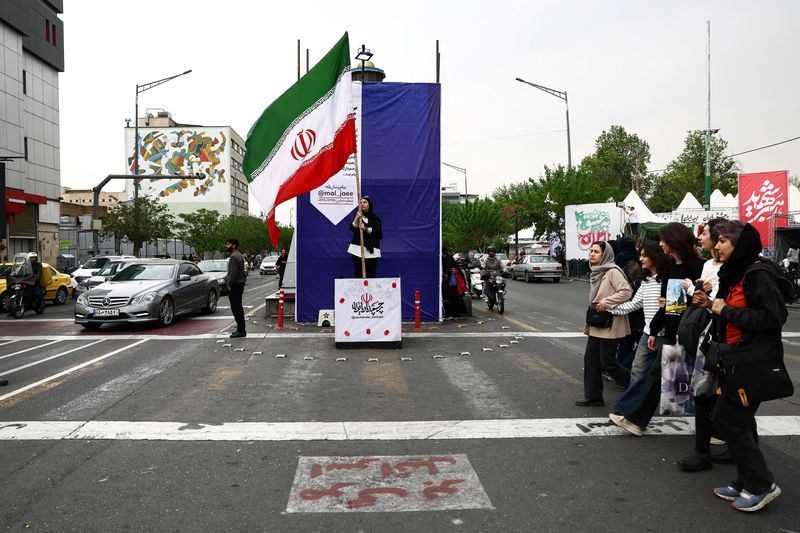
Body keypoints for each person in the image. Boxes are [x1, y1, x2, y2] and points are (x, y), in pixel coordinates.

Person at [694, 221, 786, 512]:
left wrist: (724, 309)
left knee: (727, 419)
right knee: (737, 420)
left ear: (739, 244)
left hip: (751, 361)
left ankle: (761, 484)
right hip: (734, 359)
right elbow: (732, 313)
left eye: (722, 241)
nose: (717, 247)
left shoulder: (757, 274)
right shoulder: (737, 272)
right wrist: (711, 305)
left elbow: (773, 318)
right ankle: (746, 480)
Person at [610, 222, 703, 434]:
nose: (660, 244)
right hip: (672, 333)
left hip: (691, 333)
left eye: (663, 240)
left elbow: (689, 303)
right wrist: (654, 330)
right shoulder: (671, 268)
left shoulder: (698, 268)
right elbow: (669, 305)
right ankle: (634, 419)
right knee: (659, 378)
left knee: (696, 382)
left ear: (674, 241)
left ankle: (717, 428)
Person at [677, 218, 727, 471]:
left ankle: (729, 446)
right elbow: (702, 300)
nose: (702, 237)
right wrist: (697, 289)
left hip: (722, 336)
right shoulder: (707, 264)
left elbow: (718, 302)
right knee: (703, 391)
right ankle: (702, 449)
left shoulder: (733, 268)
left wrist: (696, 290)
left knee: (730, 395)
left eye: (706, 233)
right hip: (704, 333)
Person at [607, 243, 670, 425]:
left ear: (655, 257)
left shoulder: (665, 280)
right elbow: (634, 304)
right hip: (648, 333)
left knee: (663, 378)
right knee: (638, 371)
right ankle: (627, 410)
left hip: (664, 335)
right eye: (640, 255)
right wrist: (610, 308)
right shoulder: (646, 281)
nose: (640, 258)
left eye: (644, 255)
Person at [575, 241, 632, 407]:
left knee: (607, 362)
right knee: (590, 360)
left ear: (605, 255)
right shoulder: (596, 272)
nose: (592, 254)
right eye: (591, 251)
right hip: (596, 323)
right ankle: (594, 397)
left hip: (610, 323)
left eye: (596, 252)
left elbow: (626, 292)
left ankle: (637, 385)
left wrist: (606, 302)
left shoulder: (613, 271)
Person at [614, 236, 644, 370]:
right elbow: (636, 285)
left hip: (621, 304)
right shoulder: (633, 261)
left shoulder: (616, 260)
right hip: (634, 306)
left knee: (625, 342)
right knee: (640, 345)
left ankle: (618, 370)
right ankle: (623, 369)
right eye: (636, 245)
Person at [348, 196, 382, 278]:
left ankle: (370, 291)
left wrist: (365, 228)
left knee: (371, 275)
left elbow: (377, 231)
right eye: (360, 203)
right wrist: (357, 217)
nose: (362, 204)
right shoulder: (358, 217)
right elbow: (352, 227)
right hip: (358, 250)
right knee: (358, 274)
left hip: (372, 250)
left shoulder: (375, 219)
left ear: (369, 205)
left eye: (364, 202)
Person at [225, 238, 247, 338]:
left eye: (228, 244)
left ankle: (241, 330)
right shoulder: (239, 255)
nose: (226, 246)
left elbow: (233, 272)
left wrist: (229, 284)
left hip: (235, 285)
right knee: (238, 307)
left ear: (234, 245)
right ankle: (241, 329)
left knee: (236, 308)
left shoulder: (234, 257)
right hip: (240, 283)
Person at [442, 247, 466, 318]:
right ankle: (452, 313)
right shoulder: (447, 258)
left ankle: (454, 313)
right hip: (449, 282)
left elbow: (448, 267)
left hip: (451, 283)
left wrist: (445, 273)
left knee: (451, 297)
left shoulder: (448, 259)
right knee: (449, 297)